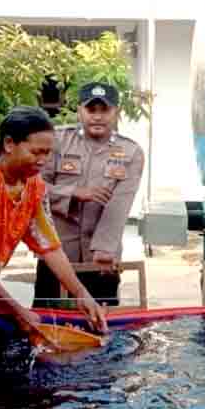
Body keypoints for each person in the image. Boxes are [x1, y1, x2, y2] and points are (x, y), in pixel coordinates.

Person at [0, 106, 108, 335]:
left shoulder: (34, 186)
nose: (43, 161)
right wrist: (18, 311)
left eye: (47, 153)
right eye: (36, 152)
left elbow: (50, 248)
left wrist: (81, 294)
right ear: (9, 144)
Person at [34, 82, 144, 306]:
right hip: (56, 253)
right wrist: (73, 193)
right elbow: (34, 188)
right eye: (91, 109)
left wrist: (104, 248)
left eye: (105, 110)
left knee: (101, 321)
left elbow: (120, 204)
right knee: (48, 320)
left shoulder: (131, 152)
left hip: (101, 259)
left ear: (116, 112)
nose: (98, 117)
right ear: (79, 111)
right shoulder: (57, 141)